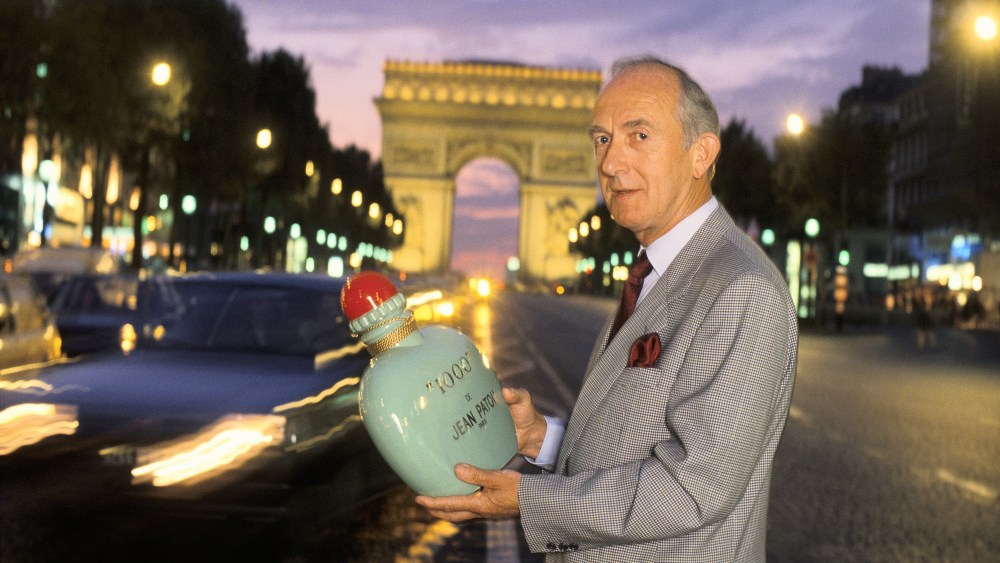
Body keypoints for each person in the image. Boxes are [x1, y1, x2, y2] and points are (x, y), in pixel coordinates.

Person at [417, 55, 799, 561]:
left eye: (639, 135)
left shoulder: (740, 288)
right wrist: (543, 439)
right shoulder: (652, 273)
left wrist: (529, 499)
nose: (610, 163)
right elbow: (628, 447)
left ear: (701, 154)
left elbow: (691, 489)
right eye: (602, 138)